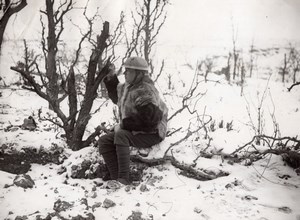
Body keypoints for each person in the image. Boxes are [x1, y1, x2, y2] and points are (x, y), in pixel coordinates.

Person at [99, 57, 168, 186]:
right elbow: (116, 96)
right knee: (104, 141)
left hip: (152, 133)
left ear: (139, 74)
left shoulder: (145, 90)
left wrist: (123, 125)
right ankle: (115, 177)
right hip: (138, 130)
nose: (125, 74)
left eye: (129, 71)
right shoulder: (129, 87)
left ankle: (123, 179)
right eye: (125, 71)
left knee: (121, 135)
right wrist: (111, 77)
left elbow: (150, 121)